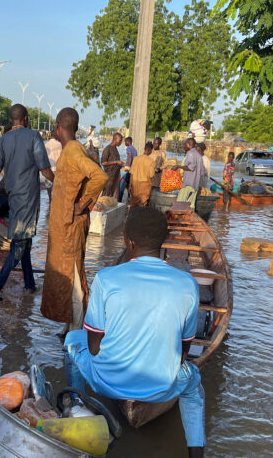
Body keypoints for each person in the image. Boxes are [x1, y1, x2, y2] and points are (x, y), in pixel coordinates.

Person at [63, 207, 204, 457]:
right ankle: (196, 453)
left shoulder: (106, 279)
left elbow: (94, 348)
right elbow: (182, 353)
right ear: (163, 241)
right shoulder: (187, 284)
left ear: (128, 241)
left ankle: (77, 408)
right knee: (193, 385)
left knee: (72, 341)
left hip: (107, 381)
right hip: (161, 386)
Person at [42, 107, 107, 332]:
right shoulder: (70, 150)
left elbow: (100, 176)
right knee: (67, 276)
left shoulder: (73, 152)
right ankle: (71, 324)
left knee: (74, 279)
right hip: (64, 227)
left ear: (59, 128)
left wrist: (82, 205)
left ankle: (77, 331)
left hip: (70, 227)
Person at [0, 104, 54, 300]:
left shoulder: (2, 140)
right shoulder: (34, 136)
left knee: (24, 240)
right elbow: (44, 168)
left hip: (12, 196)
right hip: (28, 198)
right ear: (25, 118)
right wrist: (58, 181)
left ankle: (30, 284)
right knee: (20, 244)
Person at [175, 138, 204, 208]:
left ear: (188, 144)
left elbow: (191, 168)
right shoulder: (199, 155)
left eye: (185, 144)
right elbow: (202, 172)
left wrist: (179, 166)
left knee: (179, 205)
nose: (184, 146)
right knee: (190, 207)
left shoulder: (190, 153)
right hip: (195, 185)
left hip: (188, 184)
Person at [129, 142, 155, 207]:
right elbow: (151, 175)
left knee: (134, 203)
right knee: (142, 203)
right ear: (151, 150)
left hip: (135, 184)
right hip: (145, 185)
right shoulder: (151, 161)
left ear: (144, 149)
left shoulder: (136, 159)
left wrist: (130, 185)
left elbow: (131, 173)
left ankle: (132, 215)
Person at [100, 133, 124, 198]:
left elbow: (116, 162)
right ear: (116, 139)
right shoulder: (107, 149)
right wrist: (116, 162)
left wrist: (121, 165)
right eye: (120, 140)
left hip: (116, 176)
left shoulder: (115, 149)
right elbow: (103, 163)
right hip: (109, 177)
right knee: (106, 195)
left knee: (114, 197)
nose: (121, 142)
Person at [44, 128, 62, 202]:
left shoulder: (46, 144)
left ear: (50, 135)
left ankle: (49, 198)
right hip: (57, 167)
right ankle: (55, 198)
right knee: (56, 184)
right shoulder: (59, 144)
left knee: (48, 185)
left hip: (49, 168)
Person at [120, 137, 138, 202]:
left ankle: (119, 198)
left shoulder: (129, 148)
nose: (125, 143)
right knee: (129, 184)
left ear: (128, 141)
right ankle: (129, 197)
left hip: (128, 168)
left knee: (122, 183)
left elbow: (130, 157)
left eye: (125, 142)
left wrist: (128, 166)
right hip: (133, 169)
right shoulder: (135, 149)